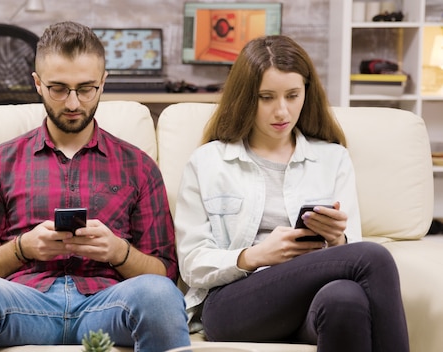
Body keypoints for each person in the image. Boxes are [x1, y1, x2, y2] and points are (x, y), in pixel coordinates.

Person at [0, 21, 190, 352]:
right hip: (24, 304)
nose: (73, 104)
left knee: (160, 296)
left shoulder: (138, 166)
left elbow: (165, 271)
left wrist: (118, 252)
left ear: (103, 83)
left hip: (107, 305)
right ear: (38, 84)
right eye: (59, 88)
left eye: (86, 89)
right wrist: (23, 248)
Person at [174, 35, 409, 352]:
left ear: (306, 94)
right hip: (233, 304)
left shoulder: (332, 158)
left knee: (345, 298)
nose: (281, 111)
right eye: (266, 97)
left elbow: (349, 247)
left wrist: (337, 241)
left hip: (308, 302)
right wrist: (256, 256)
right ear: (246, 98)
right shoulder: (209, 161)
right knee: (373, 256)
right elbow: (191, 263)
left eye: (292, 95)